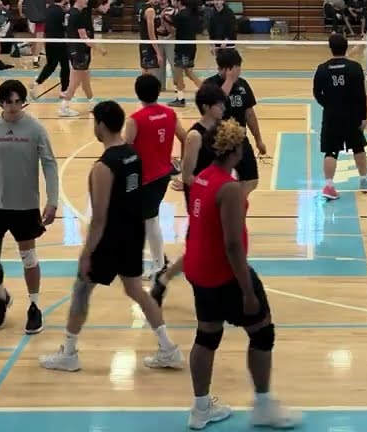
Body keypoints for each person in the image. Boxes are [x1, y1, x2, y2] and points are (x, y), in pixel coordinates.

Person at [39, 101, 184, 372]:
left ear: (102, 126)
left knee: (82, 288)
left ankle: (69, 352)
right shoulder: (133, 154)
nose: (93, 126)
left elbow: (100, 217)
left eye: (94, 122)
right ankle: (168, 348)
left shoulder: (103, 167)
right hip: (133, 233)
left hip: (110, 239)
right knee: (136, 290)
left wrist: (86, 253)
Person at [182, 119, 300, 429]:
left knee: (207, 336)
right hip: (224, 274)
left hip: (199, 270)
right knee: (262, 332)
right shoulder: (229, 188)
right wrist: (246, 291)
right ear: (235, 150)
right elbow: (233, 245)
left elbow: (195, 228)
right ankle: (262, 405)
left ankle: (200, 409)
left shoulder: (202, 178)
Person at [0, 80, 59, 334]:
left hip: (25, 206)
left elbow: (50, 166)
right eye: (8, 102)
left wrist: (52, 201)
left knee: (28, 258)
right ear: (0, 103)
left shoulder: (36, 129)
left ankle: (34, 306)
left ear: (23, 102)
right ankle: (0, 296)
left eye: (18, 101)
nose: (13, 106)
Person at [151, 82, 228, 306]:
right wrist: (210, 188)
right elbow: (187, 176)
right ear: (206, 107)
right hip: (200, 198)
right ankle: (170, 280)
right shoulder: (195, 135)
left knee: (207, 245)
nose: (223, 107)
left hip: (218, 195)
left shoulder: (222, 129)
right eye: (218, 104)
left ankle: (164, 279)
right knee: (201, 246)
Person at [124, 74, 185, 278]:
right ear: (158, 91)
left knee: (149, 221)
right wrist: (183, 164)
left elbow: (126, 152)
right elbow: (186, 138)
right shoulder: (170, 113)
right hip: (163, 175)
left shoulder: (135, 120)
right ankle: (155, 261)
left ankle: (159, 265)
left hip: (145, 179)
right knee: (147, 219)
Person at [313, 33, 367, 200]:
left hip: (331, 115)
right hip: (352, 115)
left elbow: (316, 93)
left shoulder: (322, 68)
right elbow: (361, 94)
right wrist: (363, 116)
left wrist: (328, 105)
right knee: (358, 147)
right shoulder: (355, 68)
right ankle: (364, 180)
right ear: (346, 47)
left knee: (331, 150)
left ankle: (329, 186)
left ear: (331, 48)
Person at [205, 47, 267, 196]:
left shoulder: (243, 85)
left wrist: (258, 140)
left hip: (240, 139)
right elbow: (216, 107)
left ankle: (235, 203)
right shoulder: (209, 85)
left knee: (251, 180)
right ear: (229, 69)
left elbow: (250, 114)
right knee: (214, 181)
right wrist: (229, 81)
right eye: (238, 68)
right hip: (217, 142)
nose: (240, 72)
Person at [59, 0, 96, 117]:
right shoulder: (78, 15)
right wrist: (100, 48)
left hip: (72, 49)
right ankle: (64, 107)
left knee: (85, 79)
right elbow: (83, 36)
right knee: (75, 82)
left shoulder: (69, 13)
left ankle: (92, 103)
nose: (86, 1)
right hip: (80, 51)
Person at [35, 0, 71, 99]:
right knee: (65, 66)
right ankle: (64, 90)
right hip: (60, 42)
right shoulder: (62, 13)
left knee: (50, 65)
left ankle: (37, 82)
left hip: (49, 42)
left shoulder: (49, 10)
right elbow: (66, 27)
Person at [170, 0, 203, 107]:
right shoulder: (190, 13)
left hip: (182, 48)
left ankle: (180, 99)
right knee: (189, 72)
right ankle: (206, 91)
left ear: (178, 1)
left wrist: (166, 21)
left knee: (178, 73)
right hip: (191, 47)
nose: (171, 1)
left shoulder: (180, 15)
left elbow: (172, 31)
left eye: (173, 0)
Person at [19, 0, 51, 67]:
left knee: (34, 38)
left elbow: (19, 3)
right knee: (39, 39)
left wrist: (21, 13)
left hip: (30, 19)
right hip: (41, 19)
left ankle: (35, 55)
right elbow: (47, 6)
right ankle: (35, 59)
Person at [139, 0, 167, 79]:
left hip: (143, 43)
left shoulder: (143, 8)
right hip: (149, 45)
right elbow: (151, 34)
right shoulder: (150, 10)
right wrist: (158, 53)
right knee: (150, 75)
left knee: (145, 72)